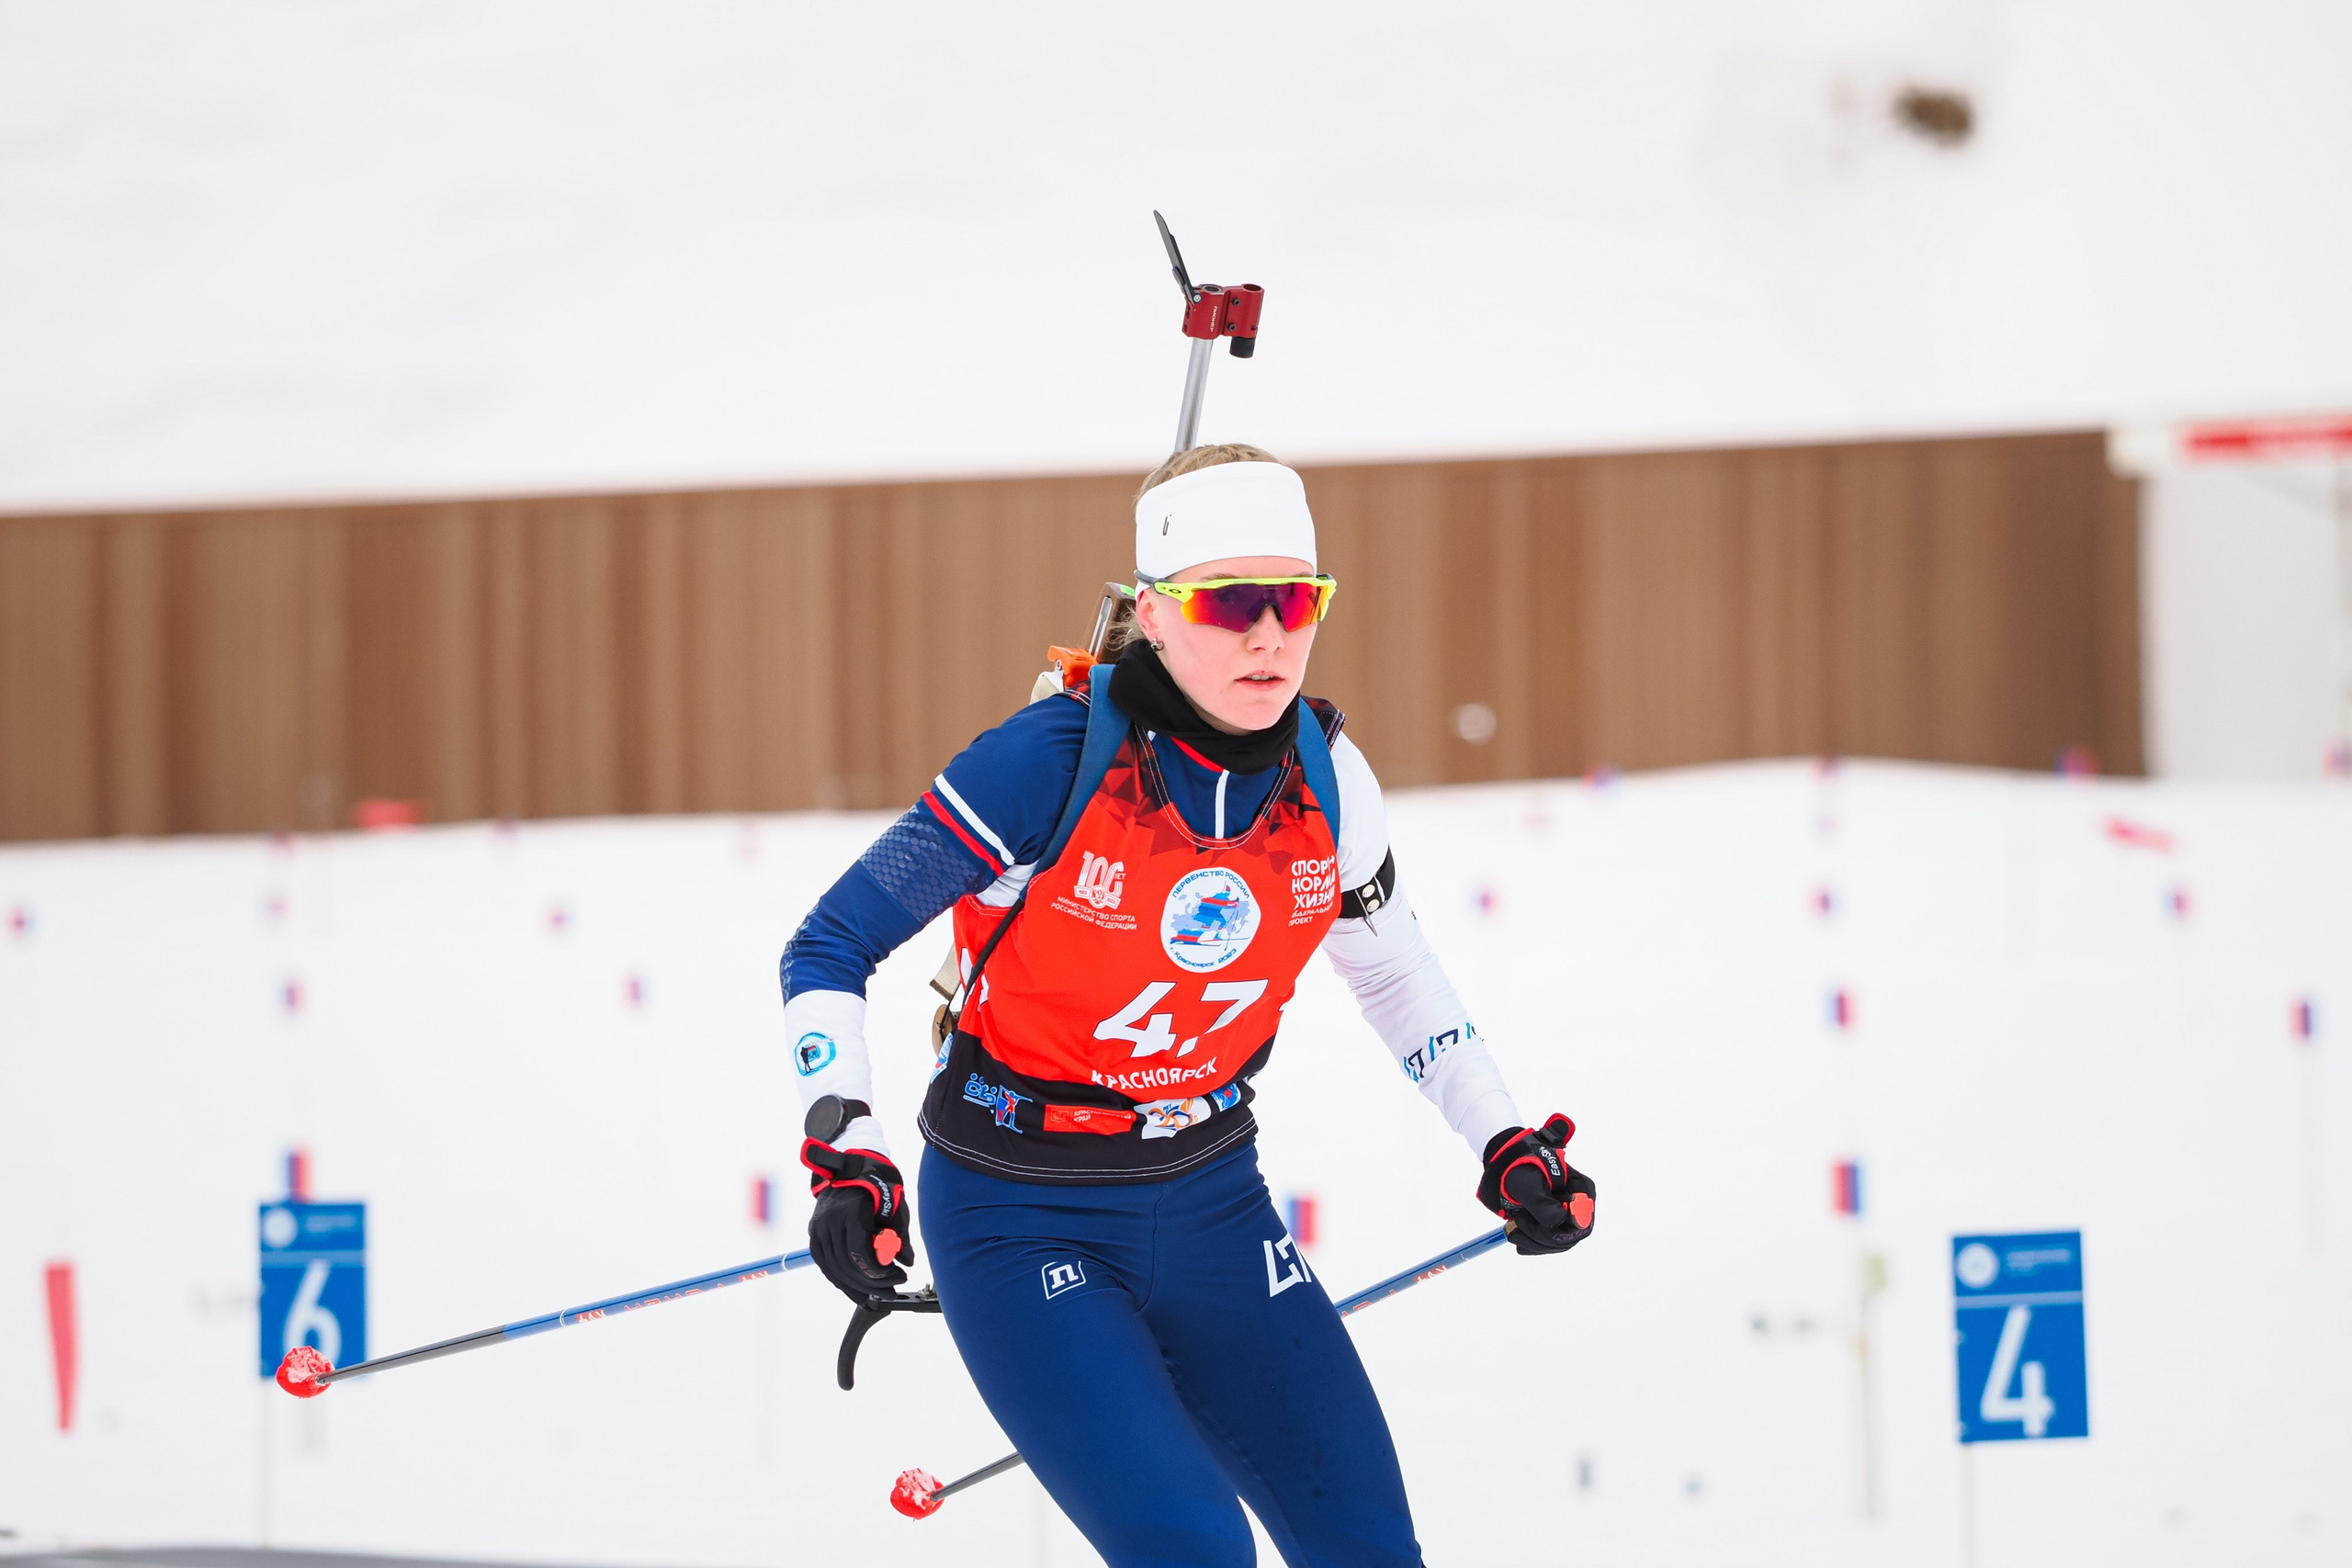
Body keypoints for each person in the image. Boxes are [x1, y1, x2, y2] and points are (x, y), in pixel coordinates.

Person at [779, 444, 1596, 1566]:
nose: (1268, 636)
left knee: (1370, 1551)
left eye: (1294, 601)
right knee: (1198, 1553)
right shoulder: (1045, 764)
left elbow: (1395, 974)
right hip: (1021, 1213)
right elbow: (830, 944)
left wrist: (1502, 1135)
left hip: (1213, 1205)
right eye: (1227, 604)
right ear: (1153, 614)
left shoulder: (1329, 778)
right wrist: (848, 1147)